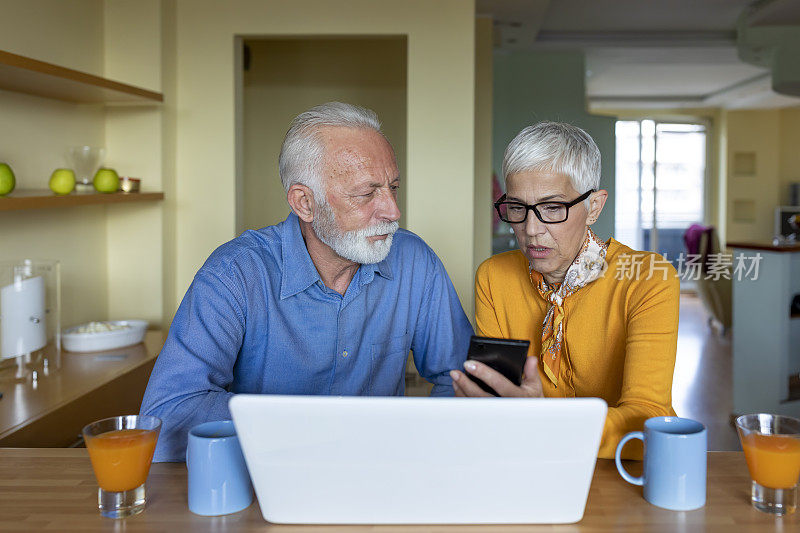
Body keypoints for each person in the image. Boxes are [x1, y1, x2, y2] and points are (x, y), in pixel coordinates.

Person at [142, 102, 473, 462]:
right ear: (304, 203)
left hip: (377, 476)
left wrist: (425, 445)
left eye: (393, 187)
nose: (393, 211)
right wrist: (315, 432)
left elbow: (463, 381)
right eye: (366, 194)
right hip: (265, 479)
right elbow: (169, 413)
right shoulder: (235, 273)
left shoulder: (414, 261)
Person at [450, 122, 679, 459]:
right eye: (517, 208)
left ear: (595, 207)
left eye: (553, 208)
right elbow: (496, 406)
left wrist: (548, 421)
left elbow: (647, 416)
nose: (531, 229)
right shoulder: (494, 277)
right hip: (527, 459)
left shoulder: (648, 278)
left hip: (622, 467)